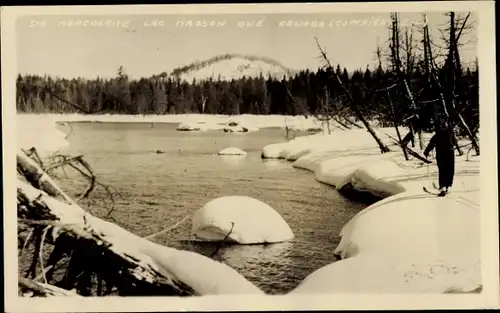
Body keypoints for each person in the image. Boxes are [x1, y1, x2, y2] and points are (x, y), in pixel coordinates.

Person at [424, 119, 455, 197]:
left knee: (442, 171)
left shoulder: (437, 135)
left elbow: (431, 144)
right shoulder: (450, 132)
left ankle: (442, 188)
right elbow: (454, 142)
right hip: (450, 155)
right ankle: (447, 187)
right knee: (449, 171)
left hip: (441, 155)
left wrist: (426, 152)